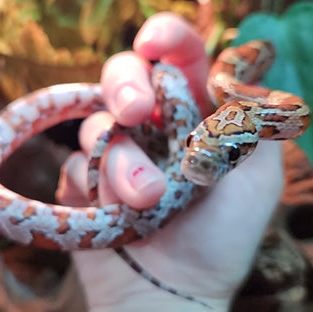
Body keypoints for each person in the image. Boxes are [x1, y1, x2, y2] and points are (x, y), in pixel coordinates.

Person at [56, 12, 283, 311]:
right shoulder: (228, 100)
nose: (196, 164)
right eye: (192, 141)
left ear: (252, 144)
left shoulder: (269, 113)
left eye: (228, 155)